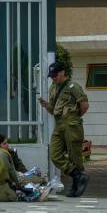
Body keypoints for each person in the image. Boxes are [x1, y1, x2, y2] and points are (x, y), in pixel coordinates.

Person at [39, 61, 90, 197]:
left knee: (75, 156)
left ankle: (76, 184)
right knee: (55, 155)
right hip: (59, 124)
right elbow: (55, 109)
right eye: (51, 76)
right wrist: (46, 105)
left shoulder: (73, 87)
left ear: (62, 73)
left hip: (71, 123)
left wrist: (73, 118)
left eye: (55, 75)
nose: (53, 78)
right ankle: (79, 176)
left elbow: (84, 105)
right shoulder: (54, 88)